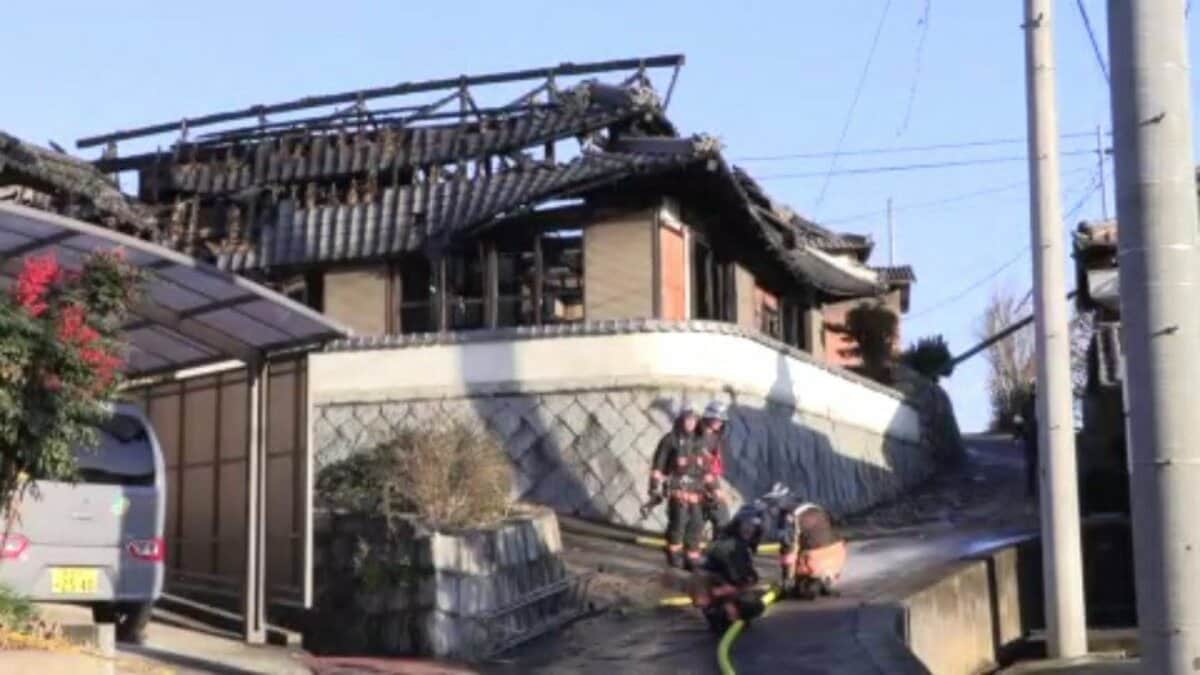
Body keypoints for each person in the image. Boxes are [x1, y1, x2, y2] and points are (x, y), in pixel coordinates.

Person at [759, 483, 847, 599]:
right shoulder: (814, 507)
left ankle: (811, 583)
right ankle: (824, 579)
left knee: (799, 586)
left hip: (814, 562)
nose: (769, 507)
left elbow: (789, 550)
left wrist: (787, 579)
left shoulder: (790, 517)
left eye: (771, 503)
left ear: (779, 501)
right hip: (838, 557)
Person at [689, 504, 767, 633]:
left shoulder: (725, 538)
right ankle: (728, 615)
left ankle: (719, 613)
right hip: (709, 590)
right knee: (754, 604)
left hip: (705, 588)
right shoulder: (734, 547)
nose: (750, 530)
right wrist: (751, 580)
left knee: (741, 587)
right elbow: (740, 578)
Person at [649, 402, 707, 569]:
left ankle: (692, 553)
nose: (691, 423)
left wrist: (710, 490)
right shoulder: (670, 440)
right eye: (688, 419)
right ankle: (674, 550)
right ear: (681, 420)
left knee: (697, 521)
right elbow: (658, 466)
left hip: (695, 489)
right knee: (679, 520)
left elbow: (706, 469)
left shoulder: (699, 441)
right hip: (676, 486)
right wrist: (654, 488)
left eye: (694, 420)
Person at [698, 401, 731, 536]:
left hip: (709, 486)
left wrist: (716, 487)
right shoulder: (697, 437)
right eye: (717, 419)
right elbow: (700, 466)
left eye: (721, 420)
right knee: (720, 518)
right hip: (695, 484)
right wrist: (715, 489)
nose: (719, 423)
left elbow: (712, 467)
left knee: (721, 520)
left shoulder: (715, 438)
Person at [1017, 384, 1039, 500]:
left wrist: (1017, 434)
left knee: (1032, 465)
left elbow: (1018, 420)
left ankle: (1032, 491)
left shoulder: (1027, 404)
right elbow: (1018, 420)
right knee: (1032, 465)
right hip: (1032, 437)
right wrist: (1018, 434)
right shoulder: (1027, 405)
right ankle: (1032, 490)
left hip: (1033, 437)